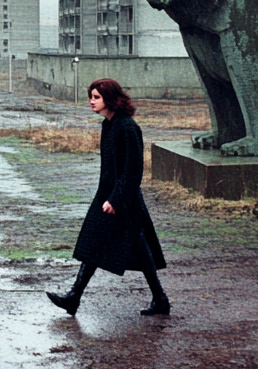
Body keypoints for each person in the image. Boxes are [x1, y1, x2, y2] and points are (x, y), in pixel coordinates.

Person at [46, 77, 169, 317]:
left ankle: (75, 297)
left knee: (128, 246)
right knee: (103, 243)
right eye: (90, 97)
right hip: (108, 195)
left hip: (123, 200)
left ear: (110, 99)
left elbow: (133, 170)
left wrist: (116, 199)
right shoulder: (109, 125)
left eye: (96, 97)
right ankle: (75, 297)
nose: (91, 102)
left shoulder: (127, 127)